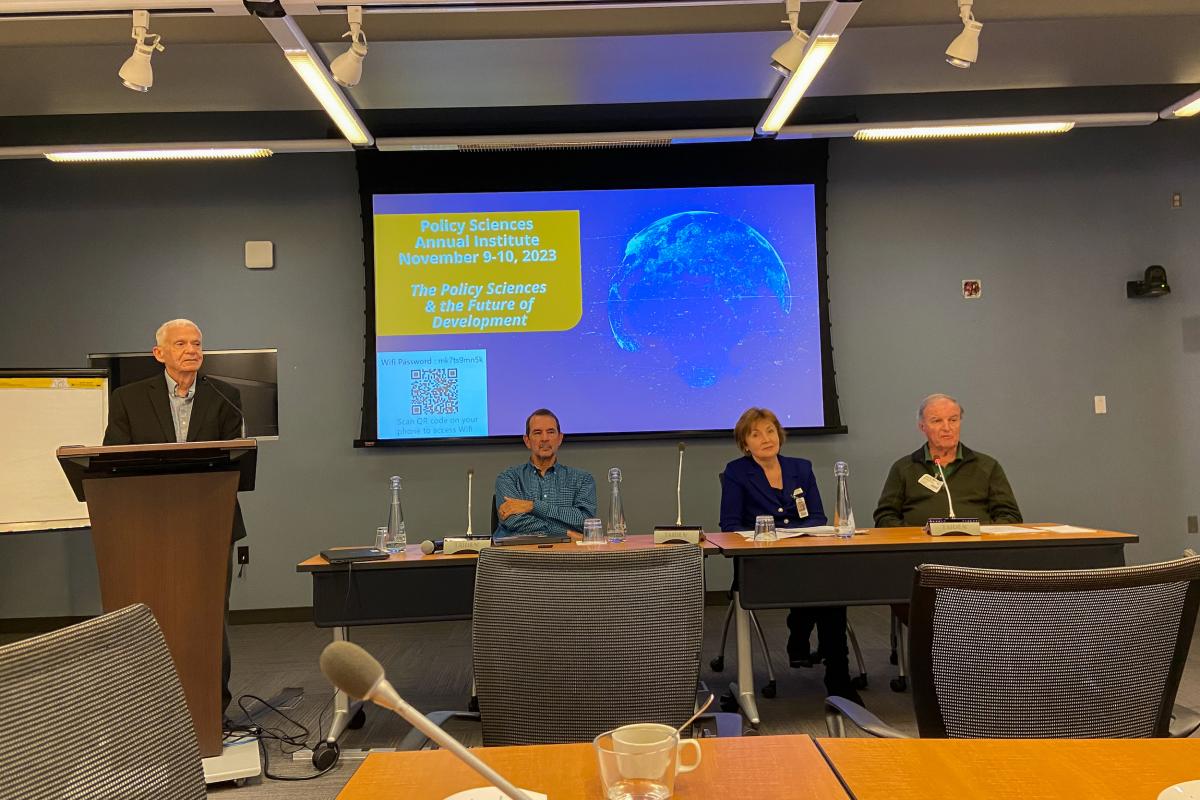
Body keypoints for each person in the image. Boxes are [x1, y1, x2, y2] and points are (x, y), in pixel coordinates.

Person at [103, 318, 246, 718]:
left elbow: (235, 463)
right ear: (159, 353)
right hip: (149, 525)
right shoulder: (129, 398)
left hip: (210, 524)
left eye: (197, 343)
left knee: (209, 617)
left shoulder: (225, 396)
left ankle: (213, 710)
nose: (192, 350)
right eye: (181, 343)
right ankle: (151, 710)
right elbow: (113, 457)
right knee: (152, 617)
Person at [718, 407, 862, 704]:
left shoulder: (801, 468)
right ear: (746, 444)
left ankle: (838, 678)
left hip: (804, 558)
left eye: (770, 431)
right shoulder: (737, 472)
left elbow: (819, 516)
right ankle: (800, 637)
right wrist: (766, 534)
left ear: (780, 435)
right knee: (820, 587)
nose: (766, 439)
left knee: (832, 587)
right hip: (761, 565)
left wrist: (794, 535)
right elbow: (730, 526)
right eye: (755, 434)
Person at [873, 393, 1022, 527]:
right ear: (922, 427)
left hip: (975, 549)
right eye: (937, 421)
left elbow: (1010, 516)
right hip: (920, 550)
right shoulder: (904, 468)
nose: (947, 428)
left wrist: (979, 532)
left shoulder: (987, 466)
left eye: (953, 420)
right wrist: (914, 536)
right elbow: (885, 518)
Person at [493, 408, 597, 540]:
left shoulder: (582, 479)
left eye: (551, 432)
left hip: (567, 555)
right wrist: (564, 533)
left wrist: (531, 506)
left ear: (560, 439)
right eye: (537, 433)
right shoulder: (508, 478)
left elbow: (585, 521)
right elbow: (513, 521)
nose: (545, 438)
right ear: (527, 441)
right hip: (519, 555)